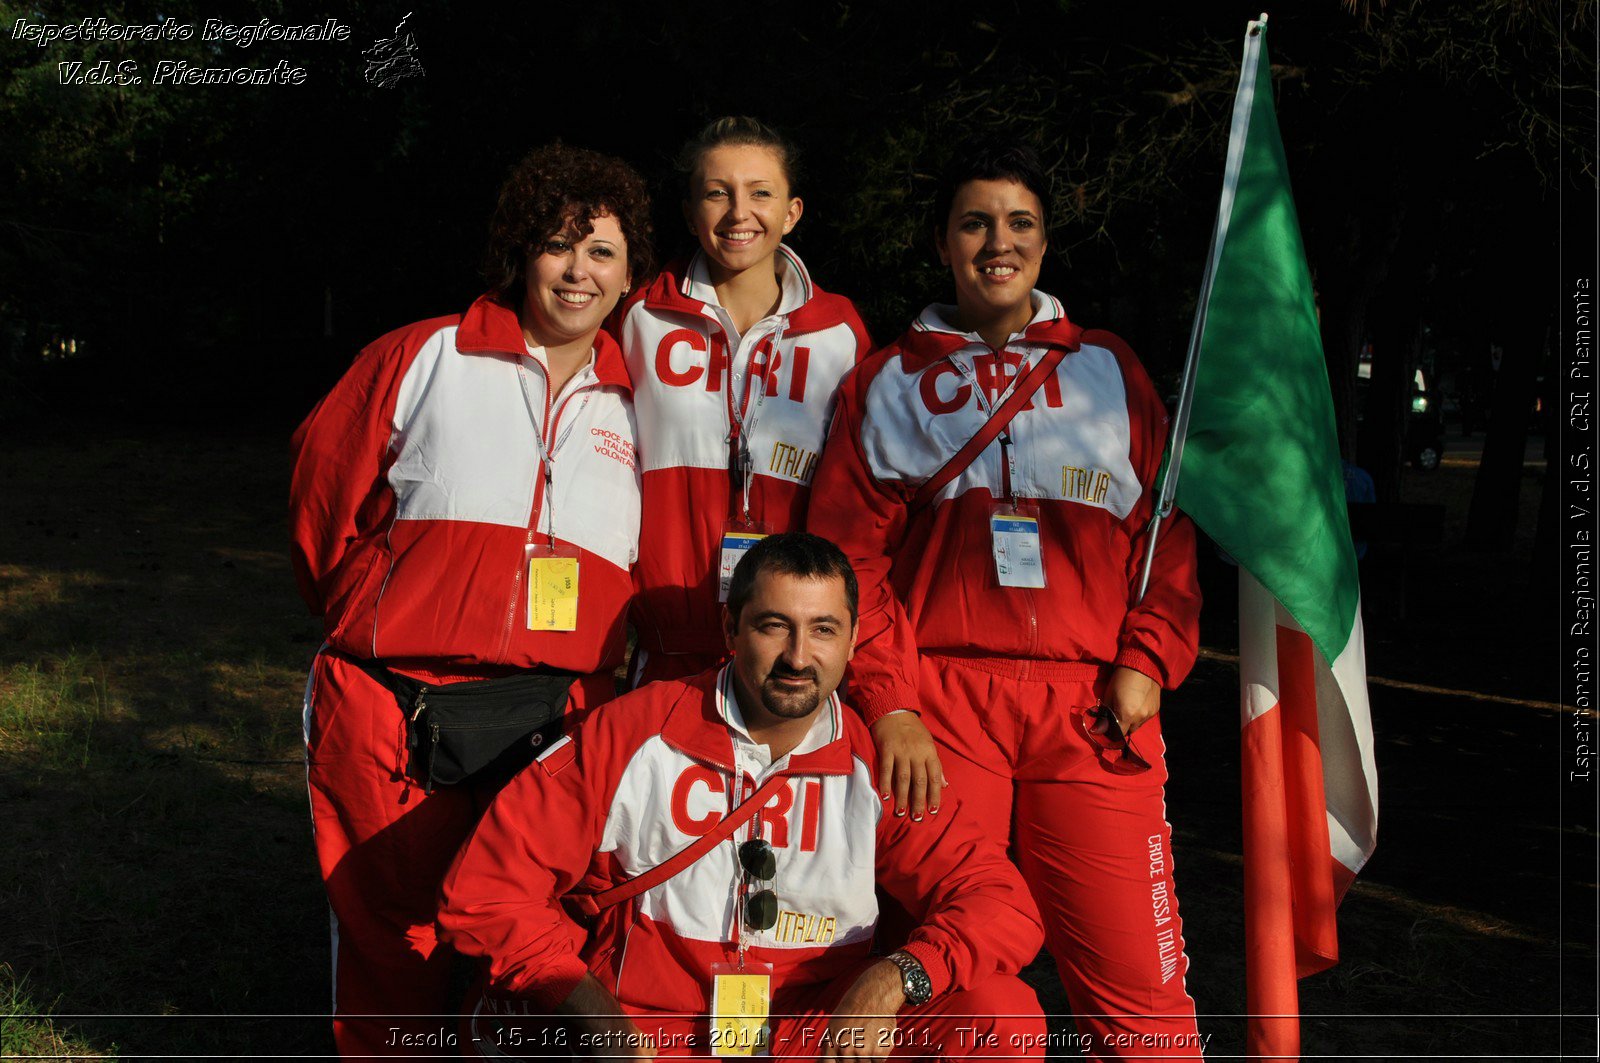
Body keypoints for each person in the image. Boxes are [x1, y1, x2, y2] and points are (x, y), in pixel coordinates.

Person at [806, 140, 1206, 1060]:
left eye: (1019, 222)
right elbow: (846, 559)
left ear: (1045, 241)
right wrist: (891, 702)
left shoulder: (1110, 369)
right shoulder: (888, 379)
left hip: (1093, 706)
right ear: (943, 241)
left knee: (1143, 994)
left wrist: (1148, 659)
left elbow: (1167, 539)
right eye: (976, 222)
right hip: (941, 707)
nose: (999, 241)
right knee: (960, 976)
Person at [289, 143, 653, 1058]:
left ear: (628, 274)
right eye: (558, 244)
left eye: (601, 252)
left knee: (525, 944)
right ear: (520, 252)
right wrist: (376, 609)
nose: (578, 270)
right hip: (391, 706)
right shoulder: (426, 353)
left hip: (555, 719)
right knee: (395, 943)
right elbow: (321, 495)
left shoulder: (641, 399)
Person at [437, 533, 1047, 1061]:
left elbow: (1001, 904)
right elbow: (487, 891)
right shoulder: (632, 732)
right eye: (774, 625)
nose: (798, 657)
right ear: (731, 628)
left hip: (808, 1031)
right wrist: (592, 1014)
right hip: (652, 1030)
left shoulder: (879, 764)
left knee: (1002, 1016)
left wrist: (897, 977)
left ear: (855, 639)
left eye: (823, 630)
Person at [611, 118, 940, 821]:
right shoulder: (638, 316)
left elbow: (863, 517)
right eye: (717, 193)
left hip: (787, 661)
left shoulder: (841, 332)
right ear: (690, 208)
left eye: (760, 193)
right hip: (669, 650)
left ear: (792, 210)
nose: (740, 214)